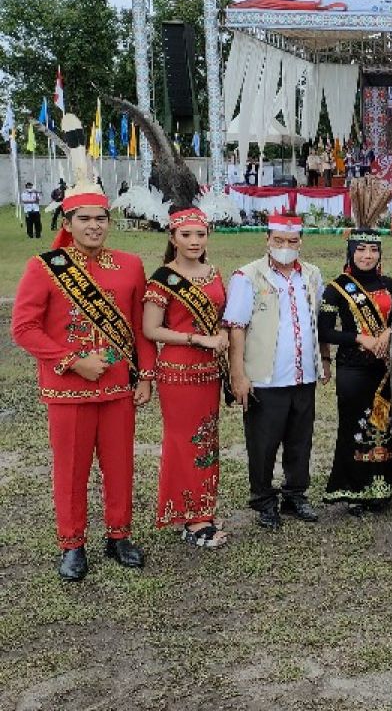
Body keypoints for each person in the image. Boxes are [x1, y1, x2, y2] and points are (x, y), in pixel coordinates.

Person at [11, 178, 155, 581]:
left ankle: (119, 535)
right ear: (68, 221)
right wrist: (73, 361)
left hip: (117, 389)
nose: (94, 226)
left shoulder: (130, 266)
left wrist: (145, 376)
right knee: (71, 470)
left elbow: (140, 328)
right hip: (67, 390)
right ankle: (72, 544)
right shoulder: (44, 268)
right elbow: (23, 327)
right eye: (84, 218)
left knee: (121, 464)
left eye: (101, 218)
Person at [224, 214, 328, 530]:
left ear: (301, 242)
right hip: (264, 377)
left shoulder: (311, 274)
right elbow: (236, 328)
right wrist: (238, 374)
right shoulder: (247, 276)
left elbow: (317, 321)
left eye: (292, 241)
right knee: (263, 443)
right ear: (267, 240)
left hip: (303, 375)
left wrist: (324, 360)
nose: (285, 247)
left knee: (300, 441)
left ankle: (296, 494)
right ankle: (264, 499)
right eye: (279, 241)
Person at [142, 208, 230, 548]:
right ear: (172, 238)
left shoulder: (213, 273)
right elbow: (151, 329)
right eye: (186, 235)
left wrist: (220, 333)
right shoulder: (163, 278)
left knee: (206, 441)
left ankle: (201, 509)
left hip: (209, 373)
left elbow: (222, 316)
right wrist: (199, 339)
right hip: (178, 372)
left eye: (200, 235)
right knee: (184, 442)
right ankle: (193, 521)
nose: (194, 241)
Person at [318, 228, 392, 516]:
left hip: (386, 366)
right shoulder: (337, 287)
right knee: (354, 425)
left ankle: (381, 486)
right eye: (361, 249)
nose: (367, 256)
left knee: (382, 425)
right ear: (350, 252)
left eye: (373, 250)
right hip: (353, 367)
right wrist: (360, 338)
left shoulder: (390, 284)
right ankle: (353, 489)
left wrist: (390, 331)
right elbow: (325, 329)